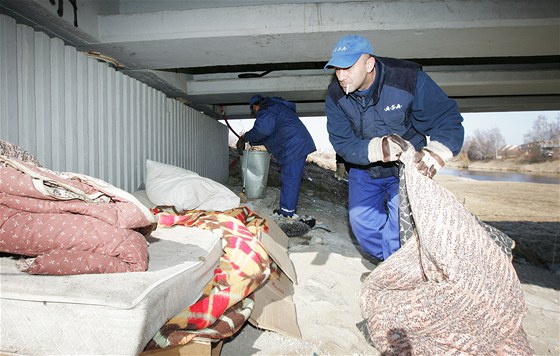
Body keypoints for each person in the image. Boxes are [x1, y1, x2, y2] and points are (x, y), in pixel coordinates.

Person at [324, 34, 464, 261]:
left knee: (399, 229)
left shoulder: (407, 80)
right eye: (337, 69)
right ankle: (387, 263)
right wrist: (377, 150)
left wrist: (435, 154)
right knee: (362, 224)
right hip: (365, 168)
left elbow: (446, 118)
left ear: (369, 64)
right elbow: (341, 141)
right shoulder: (335, 96)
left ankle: (393, 270)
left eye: (347, 68)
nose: (341, 76)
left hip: (407, 170)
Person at [236, 95, 316, 218]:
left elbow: (262, 131)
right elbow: (267, 135)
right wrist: (250, 141)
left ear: (256, 106)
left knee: (290, 179)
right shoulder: (275, 108)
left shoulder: (267, 109)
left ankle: (287, 213)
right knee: (290, 178)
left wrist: (245, 137)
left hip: (293, 146)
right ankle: (287, 209)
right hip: (294, 144)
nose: (255, 113)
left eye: (254, 110)